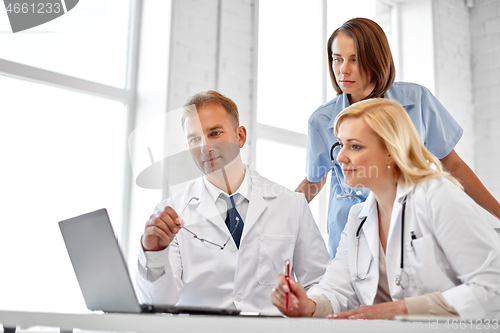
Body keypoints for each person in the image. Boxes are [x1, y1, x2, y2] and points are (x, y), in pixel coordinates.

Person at [272, 98, 500, 319]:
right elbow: (336, 291)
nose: (340, 157)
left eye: (355, 146)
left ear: (391, 151)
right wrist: (308, 305)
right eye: (341, 145)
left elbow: (493, 287)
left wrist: (400, 310)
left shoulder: (437, 196)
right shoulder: (357, 219)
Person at [296, 17, 500, 258]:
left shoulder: (418, 100)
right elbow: (315, 179)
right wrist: (277, 218)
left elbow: (452, 164)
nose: (343, 69)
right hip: (351, 238)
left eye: (355, 59)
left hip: (412, 229)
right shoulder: (321, 120)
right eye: (337, 59)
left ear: (376, 59)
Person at [135, 90, 330, 315]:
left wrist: (304, 305)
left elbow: (321, 282)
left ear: (240, 136)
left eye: (215, 133)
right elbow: (158, 302)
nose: (204, 147)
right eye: (194, 139)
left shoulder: (291, 205)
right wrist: (154, 252)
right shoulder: (171, 212)